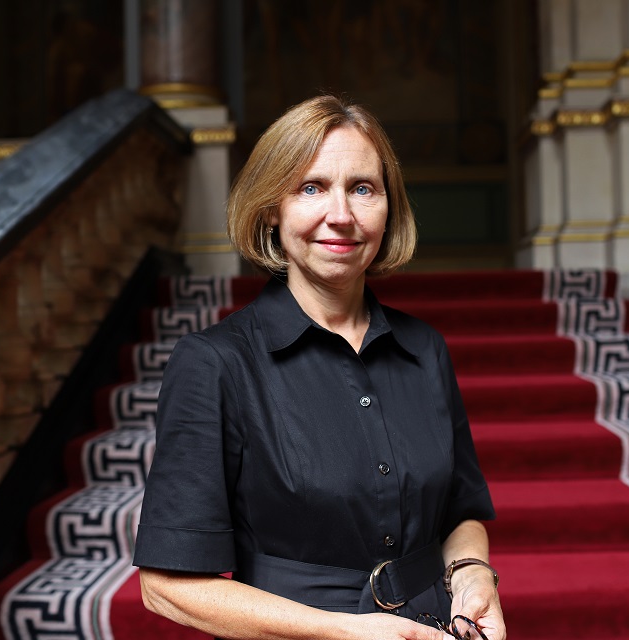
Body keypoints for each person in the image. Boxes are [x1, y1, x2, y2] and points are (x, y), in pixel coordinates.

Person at [133, 95, 507, 640]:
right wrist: (344, 631)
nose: (342, 215)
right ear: (271, 211)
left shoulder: (425, 348)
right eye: (311, 188)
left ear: (388, 207)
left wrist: (472, 576)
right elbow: (165, 586)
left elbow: (460, 514)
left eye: (363, 188)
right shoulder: (215, 363)